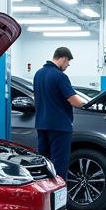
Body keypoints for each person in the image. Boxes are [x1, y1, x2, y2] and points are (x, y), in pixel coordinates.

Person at [33, 46, 85, 181]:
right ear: (63, 58)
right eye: (68, 62)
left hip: (41, 125)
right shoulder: (60, 76)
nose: (68, 65)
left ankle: (45, 196)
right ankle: (59, 199)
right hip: (60, 127)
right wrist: (87, 103)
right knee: (59, 166)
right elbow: (75, 101)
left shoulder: (38, 74)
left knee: (44, 163)